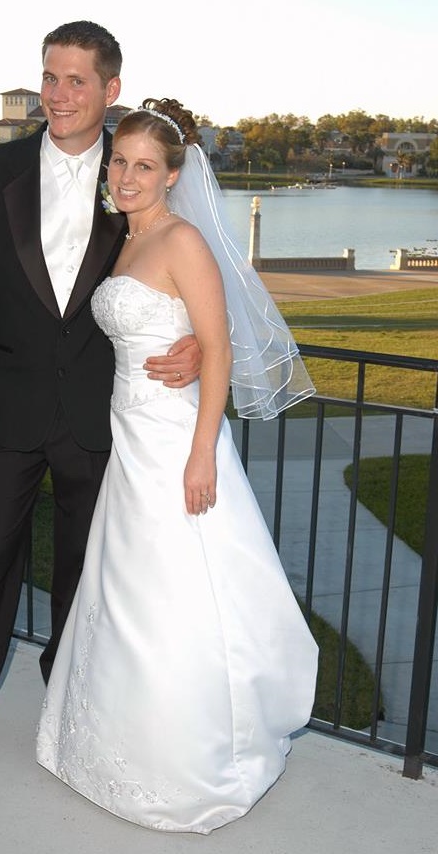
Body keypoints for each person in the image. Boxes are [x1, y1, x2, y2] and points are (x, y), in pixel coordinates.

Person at [0, 24, 200, 770]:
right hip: (4, 409)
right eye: (50, 77)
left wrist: (198, 342)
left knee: (86, 571)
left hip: (101, 416)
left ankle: (73, 704)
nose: (59, 94)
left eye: (78, 81)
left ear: (111, 90)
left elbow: (180, 264)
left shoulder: (133, 173)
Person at [36, 99, 320, 834]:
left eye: (144, 166)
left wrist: (202, 454)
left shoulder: (183, 239)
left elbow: (219, 348)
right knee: (123, 584)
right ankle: (107, 740)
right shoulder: (122, 238)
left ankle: (187, 759)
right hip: (128, 435)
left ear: (171, 175)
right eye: (120, 162)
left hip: (174, 441)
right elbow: (148, 324)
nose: (127, 177)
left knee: (170, 589)